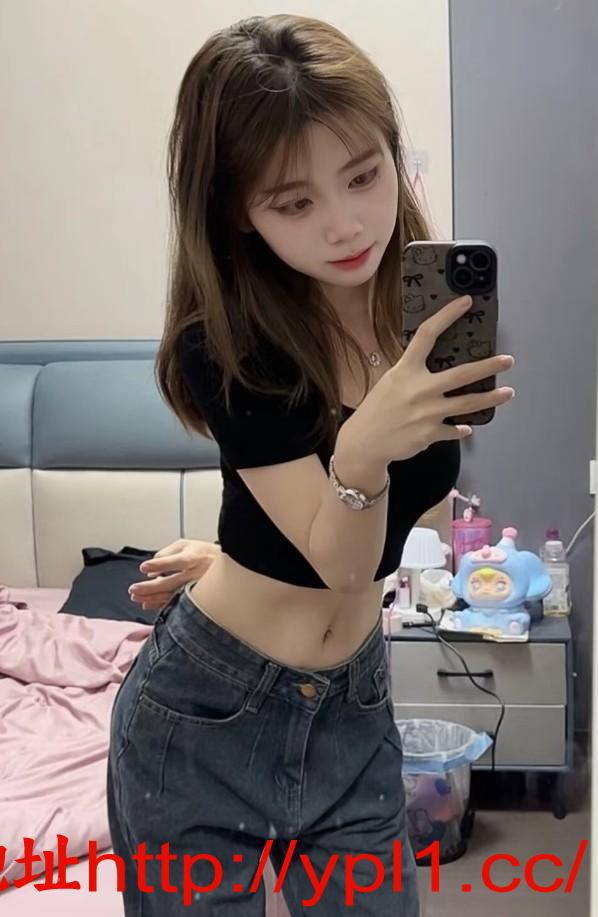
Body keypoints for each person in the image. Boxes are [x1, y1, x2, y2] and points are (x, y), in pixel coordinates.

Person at [107, 14, 515, 915]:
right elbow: (342, 561)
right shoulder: (230, 345)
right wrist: (363, 446)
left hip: (353, 706)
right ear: (237, 213)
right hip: (205, 712)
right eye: (294, 203)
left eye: (364, 175)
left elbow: (384, 536)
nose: (344, 223)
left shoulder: (420, 316)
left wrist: (241, 555)